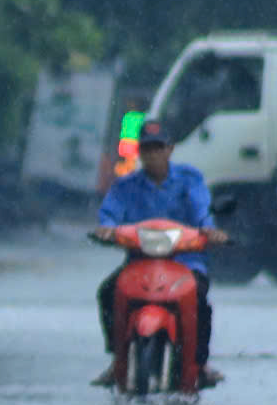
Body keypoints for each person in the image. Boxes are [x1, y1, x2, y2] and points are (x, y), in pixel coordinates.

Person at [91, 119, 229, 386]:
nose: (152, 154)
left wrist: (210, 231)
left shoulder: (190, 180)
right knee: (108, 292)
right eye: (146, 149)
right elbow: (109, 214)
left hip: (186, 263)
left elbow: (203, 211)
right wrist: (106, 230)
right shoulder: (125, 186)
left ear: (170, 149)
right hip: (139, 263)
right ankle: (116, 358)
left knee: (200, 301)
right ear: (139, 153)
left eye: (158, 148)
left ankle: (200, 364)